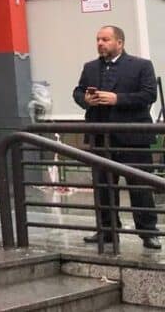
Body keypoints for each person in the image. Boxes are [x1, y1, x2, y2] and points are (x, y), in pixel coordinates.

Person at [72, 25, 160, 249]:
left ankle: (148, 232)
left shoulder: (141, 65)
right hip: (101, 137)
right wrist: (85, 100)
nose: (100, 43)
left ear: (119, 42)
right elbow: (78, 91)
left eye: (106, 39)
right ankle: (107, 231)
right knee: (103, 187)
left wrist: (117, 99)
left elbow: (149, 95)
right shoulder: (90, 67)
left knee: (140, 186)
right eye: (98, 39)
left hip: (134, 138)